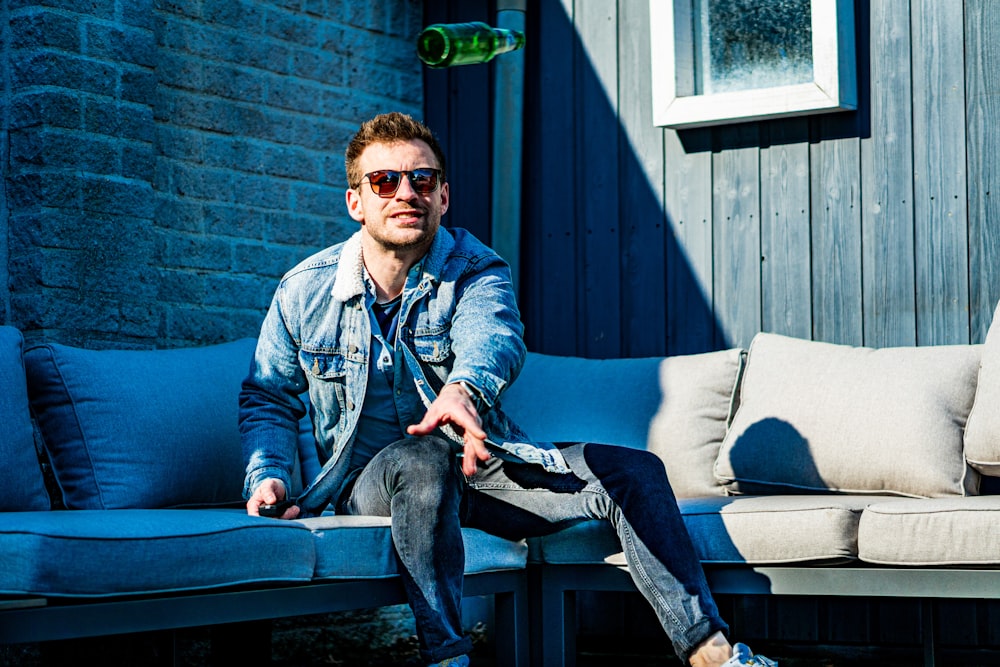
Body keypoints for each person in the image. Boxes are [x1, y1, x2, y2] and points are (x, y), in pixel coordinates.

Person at [239, 111, 776, 667]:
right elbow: (268, 396)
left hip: (479, 469)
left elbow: (493, 333)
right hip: (371, 483)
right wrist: (269, 474)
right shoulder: (305, 291)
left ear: (443, 196)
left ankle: (712, 652)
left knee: (633, 471)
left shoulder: (475, 268)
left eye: (422, 180)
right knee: (422, 457)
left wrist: (464, 390)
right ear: (356, 201)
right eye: (384, 181)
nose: (406, 193)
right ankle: (446, 659)